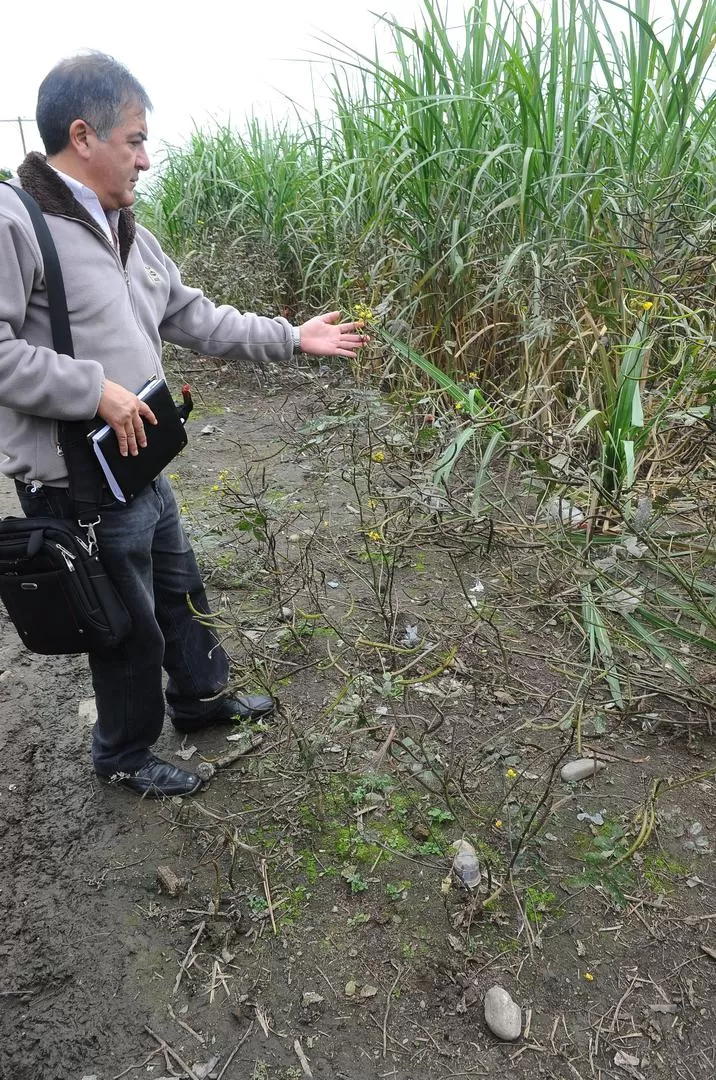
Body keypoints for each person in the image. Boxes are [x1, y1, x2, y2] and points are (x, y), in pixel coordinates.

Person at [0, 52, 365, 798]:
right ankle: (124, 753)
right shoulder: (18, 221)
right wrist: (91, 389)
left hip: (142, 459)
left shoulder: (123, 223)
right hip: (79, 482)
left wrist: (291, 336)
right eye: (134, 139)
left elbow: (189, 313)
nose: (145, 156)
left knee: (178, 586)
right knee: (126, 624)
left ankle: (201, 700)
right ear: (83, 136)